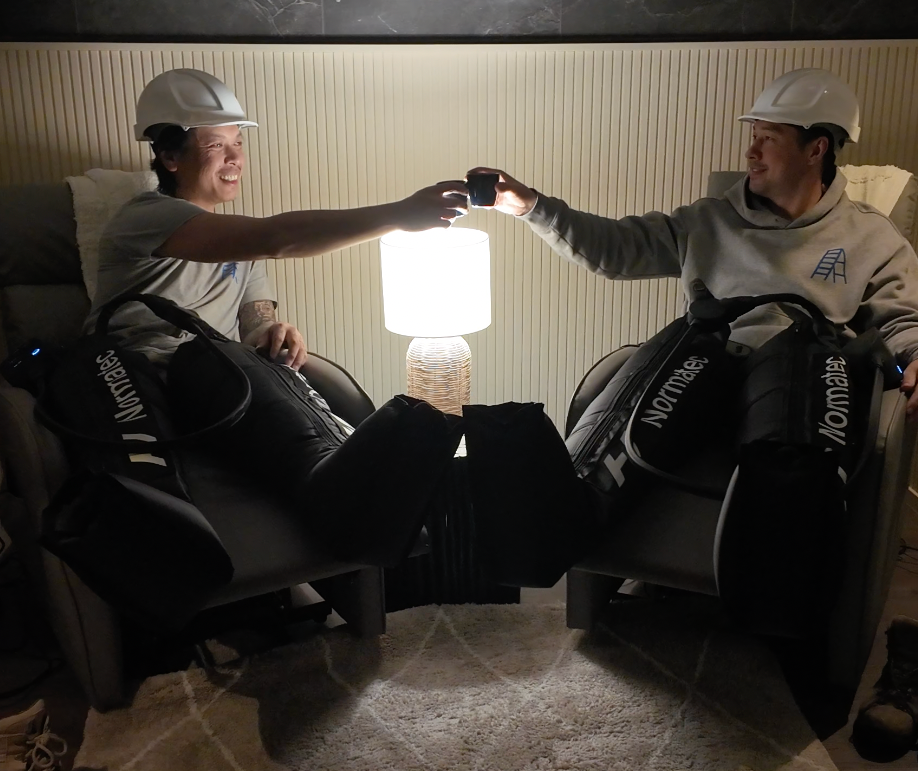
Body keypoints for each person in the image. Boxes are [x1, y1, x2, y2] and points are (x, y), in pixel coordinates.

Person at [85, 67, 470, 569]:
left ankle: (407, 486)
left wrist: (272, 330)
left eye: (238, 143)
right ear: (170, 156)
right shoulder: (144, 217)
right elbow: (278, 239)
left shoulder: (235, 243)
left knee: (275, 369)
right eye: (216, 146)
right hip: (150, 385)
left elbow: (255, 319)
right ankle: (337, 484)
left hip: (220, 378)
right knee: (215, 357)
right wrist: (398, 214)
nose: (235, 158)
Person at [468, 67, 918, 416]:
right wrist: (530, 205)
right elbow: (615, 249)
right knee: (608, 398)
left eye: (768, 138)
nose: (751, 152)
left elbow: (902, 320)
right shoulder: (707, 222)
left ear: (816, 149)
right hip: (706, 373)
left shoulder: (870, 236)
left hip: (802, 390)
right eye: (753, 136)